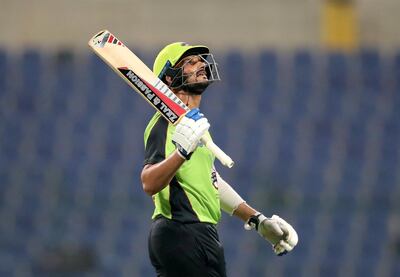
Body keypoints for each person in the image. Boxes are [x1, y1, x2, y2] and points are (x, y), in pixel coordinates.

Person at [141, 42, 298, 277]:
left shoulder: (196, 127)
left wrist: (257, 220)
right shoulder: (163, 124)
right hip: (179, 231)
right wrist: (180, 153)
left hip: (203, 234)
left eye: (201, 60)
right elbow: (149, 182)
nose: (201, 64)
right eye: (190, 62)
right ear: (170, 79)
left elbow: (211, 180)